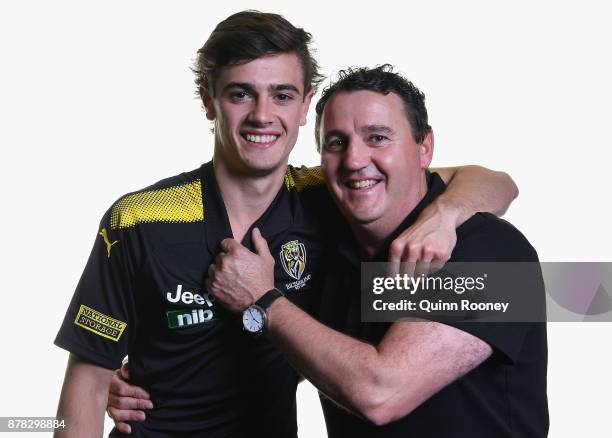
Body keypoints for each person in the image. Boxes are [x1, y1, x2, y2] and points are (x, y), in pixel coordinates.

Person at [55, 11, 518, 438]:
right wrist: (113, 388)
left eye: (282, 94)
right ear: (208, 100)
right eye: (240, 93)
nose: (262, 114)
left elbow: (496, 183)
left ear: (303, 105)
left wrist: (446, 215)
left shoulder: (341, 204)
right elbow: (85, 388)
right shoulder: (139, 220)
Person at [205, 65, 548, 437]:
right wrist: (142, 381)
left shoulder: (494, 252)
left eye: (378, 137)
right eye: (336, 142)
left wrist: (263, 300)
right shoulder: (326, 237)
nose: (355, 160)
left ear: (424, 148)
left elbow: (381, 394)